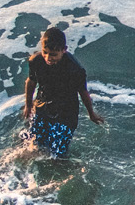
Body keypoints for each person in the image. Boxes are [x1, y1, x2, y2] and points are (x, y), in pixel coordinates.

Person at [24, 26, 102, 157]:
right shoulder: (36, 61)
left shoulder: (75, 69)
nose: (48, 58)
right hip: (43, 106)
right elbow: (31, 82)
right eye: (45, 52)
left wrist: (91, 114)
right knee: (35, 146)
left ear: (64, 50)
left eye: (53, 54)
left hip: (66, 113)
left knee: (57, 154)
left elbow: (83, 93)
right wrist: (28, 105)